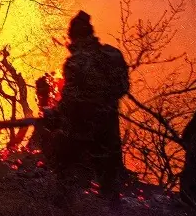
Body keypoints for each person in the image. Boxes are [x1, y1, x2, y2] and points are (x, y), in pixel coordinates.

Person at [43, 11, 130, 204]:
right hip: (108, 129)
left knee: (66, 170)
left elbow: (71, 100)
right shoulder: (112, 55)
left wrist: (55, 114)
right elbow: (123, 88)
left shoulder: (76, 62)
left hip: (81, 130)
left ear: (74, 37)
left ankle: (67, 215)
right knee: (109, 180)